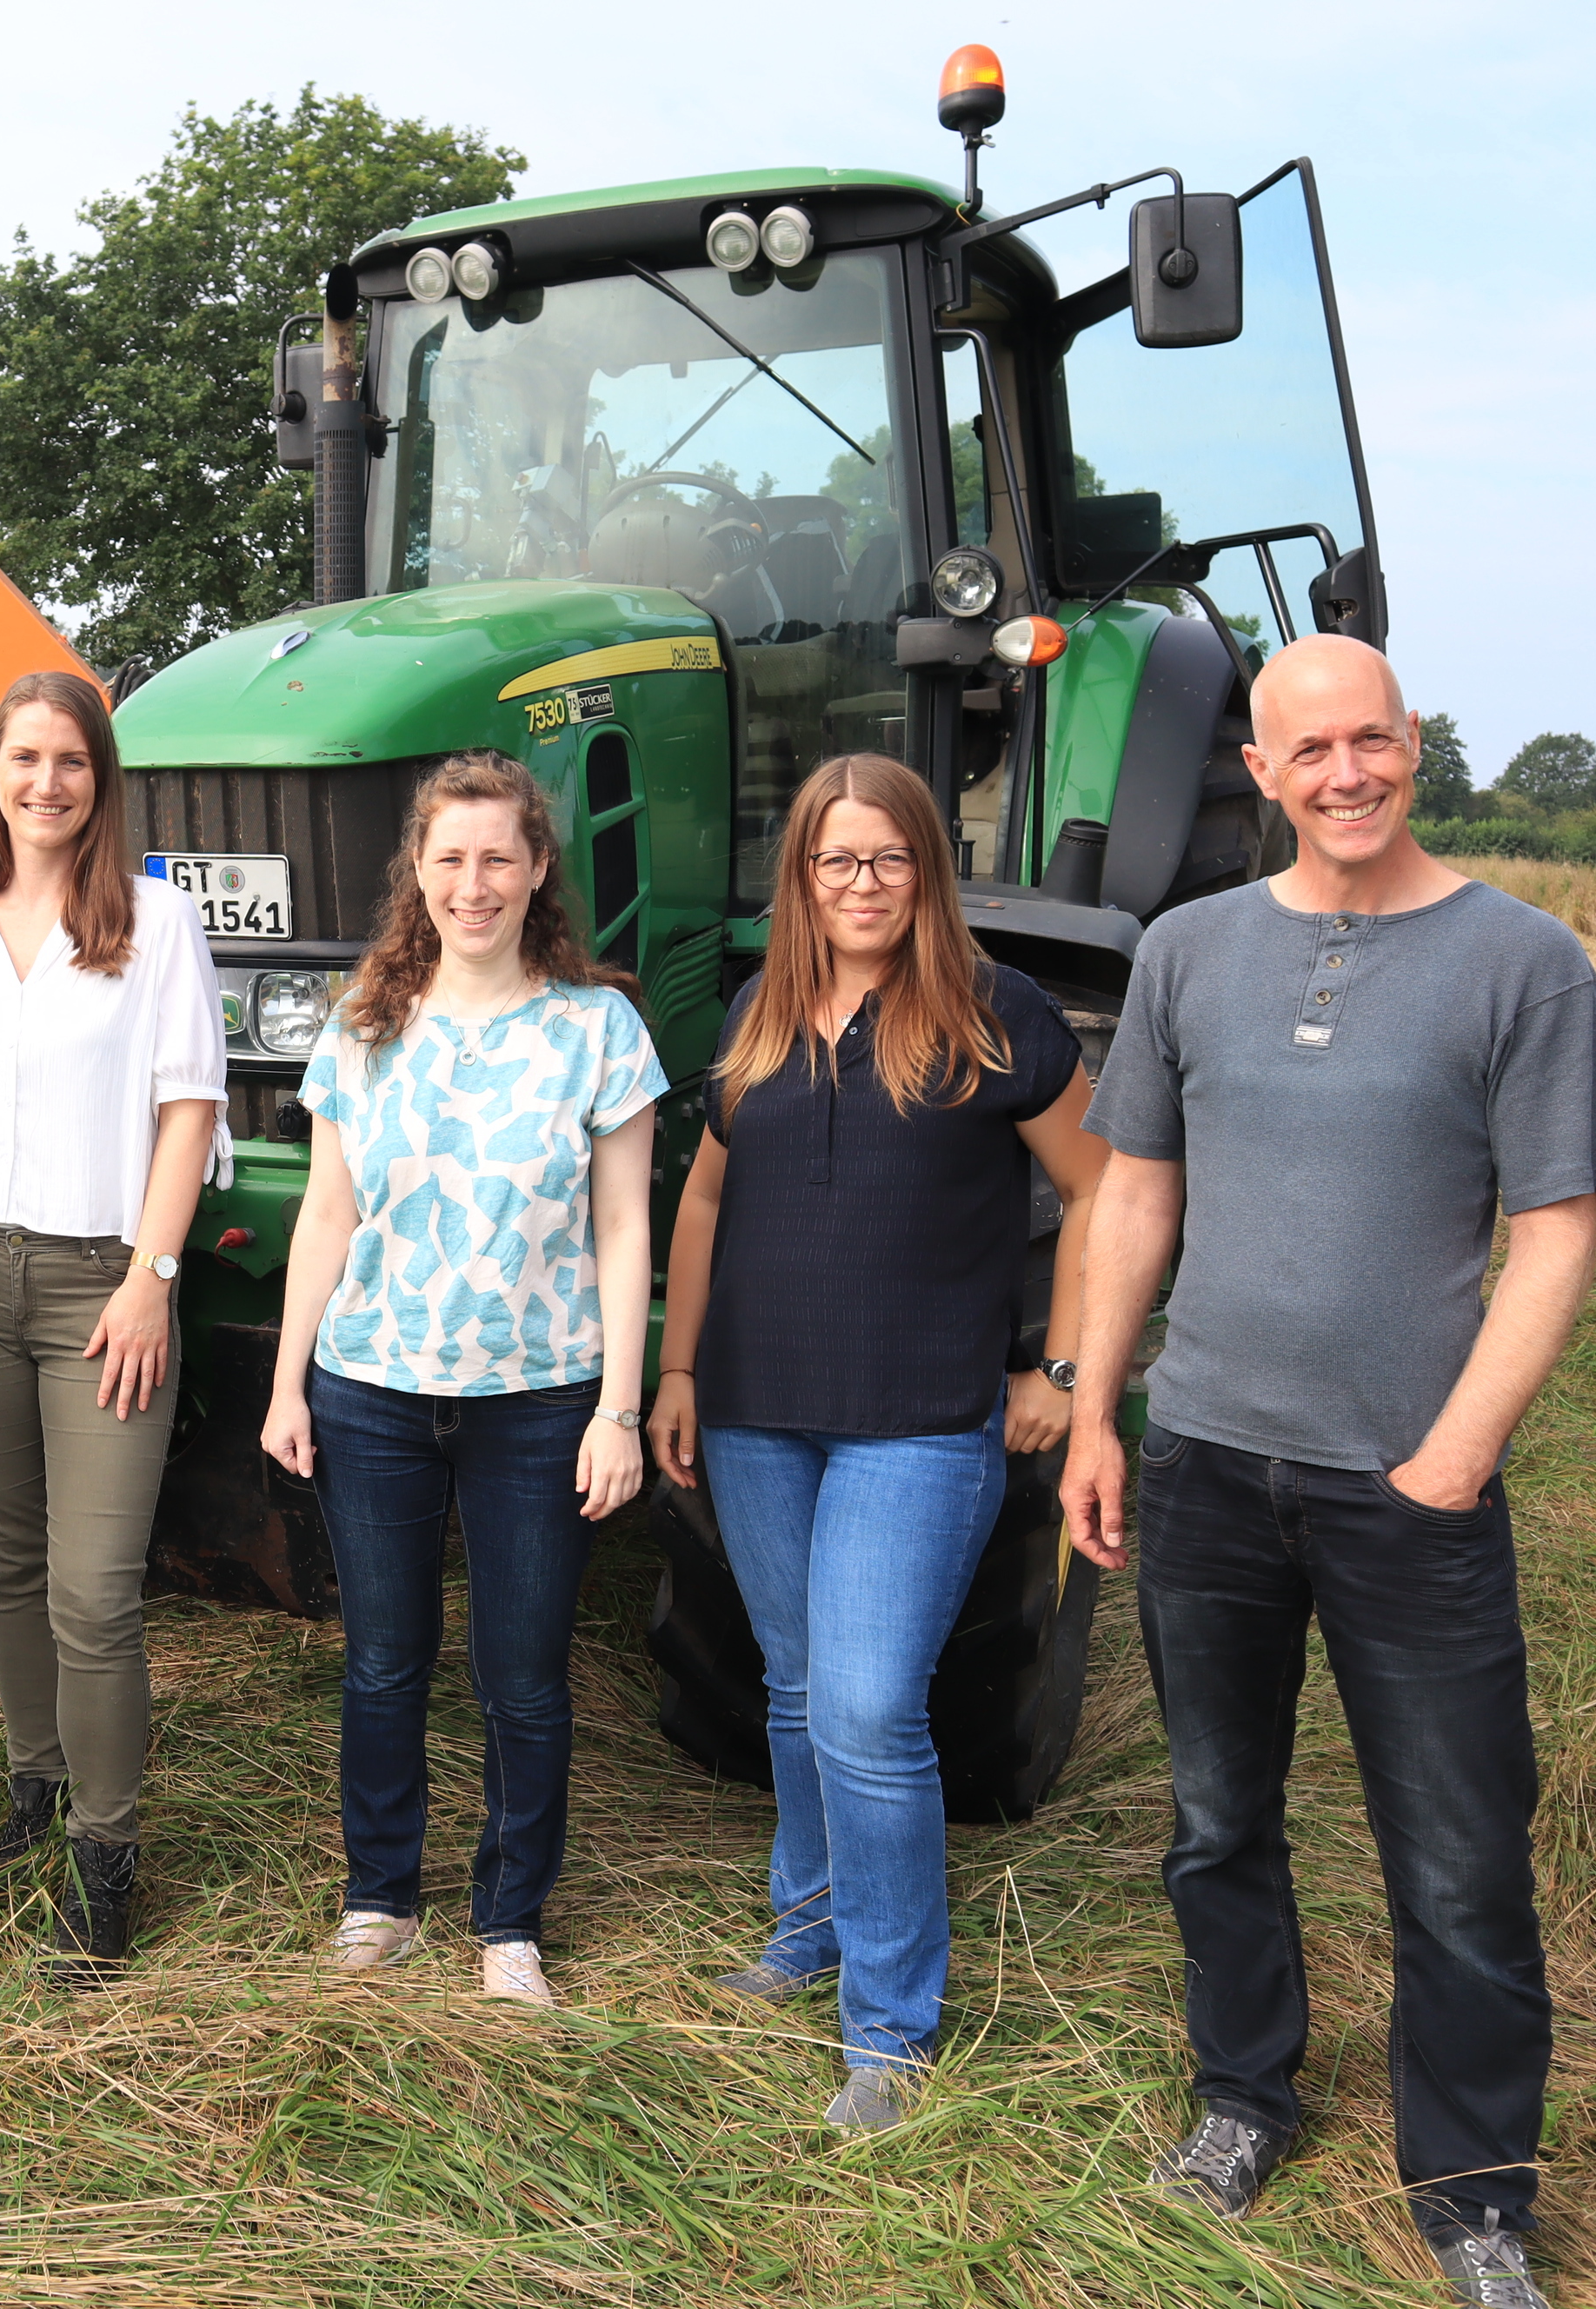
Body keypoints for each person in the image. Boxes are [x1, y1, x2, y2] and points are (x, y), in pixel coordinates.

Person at [1063, 636, 1596, 2309]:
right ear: (1261, 771)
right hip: (1209, 1464)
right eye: (1309, 751)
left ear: (1412, 741)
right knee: (1215, 1822)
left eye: (1370, 739)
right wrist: (1097, 1412)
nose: (1346, 774)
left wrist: (1454, 1455)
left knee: (1459, 1856)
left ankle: (1473, 2195)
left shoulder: (1524, 962)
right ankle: (1244, 2098)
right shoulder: (1189, 951)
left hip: (1411, 1485)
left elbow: (1555, 1236)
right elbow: (1136, 1196)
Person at [643, 753, 1101, 2131]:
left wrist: (1065, 1367)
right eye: (837, 859)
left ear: (926, 871)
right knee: (794, 1688)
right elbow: (706, 1204)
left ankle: (891, 2027)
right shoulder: (759, 1014)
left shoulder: (996, 1012)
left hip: (920, 1422)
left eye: (889, 858)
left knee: (865, 1709)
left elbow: (1104, 1188)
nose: (863, 883)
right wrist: (678, 1367)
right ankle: (811, 1923)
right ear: (802, 873)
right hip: (756, 1413)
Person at [259, 751, 662, 2007]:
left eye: (498, 858)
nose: (473, 884)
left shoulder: (598, 1029)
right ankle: (378, 1895)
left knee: (523, 1675)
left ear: (538, 869)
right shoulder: (364, 1025)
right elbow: (326, 1214)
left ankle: (510, 1920)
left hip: (540, 1401)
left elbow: (625, 1229)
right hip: (372, 1389)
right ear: (418, 874)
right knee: (385, 1661)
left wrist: (620, 1409)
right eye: (451, 859)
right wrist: (287, 1384)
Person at [0, 670, 224, 1980]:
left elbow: (189, 1109)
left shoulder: (156, 922)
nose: (46, 782)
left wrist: (152, 1277)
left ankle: (105, 1856)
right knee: (11, 1563)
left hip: (101, 1288)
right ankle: (35, 1788)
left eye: (71, 760)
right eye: (24, 757)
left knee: (94, 1588)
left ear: (100, 779)